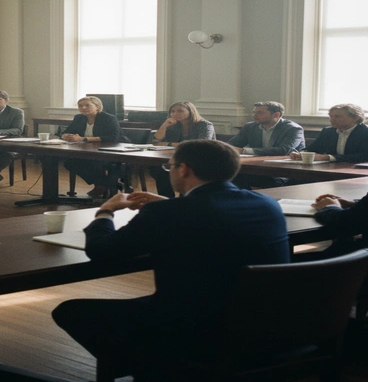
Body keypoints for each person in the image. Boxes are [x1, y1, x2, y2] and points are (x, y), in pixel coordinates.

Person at [52, 140, 289, 380]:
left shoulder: (168, 214)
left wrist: (105, 211)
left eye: (169, 166)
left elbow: (103, 251)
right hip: (266, 321)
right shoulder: (266, 203)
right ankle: (155, 365)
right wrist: (172, 204)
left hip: (195, 326)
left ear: (184, 169)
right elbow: (211, 217)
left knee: (71, 312)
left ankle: (160, 367)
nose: (170, 171)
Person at [228, 101, 305, 189]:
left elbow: (284, 150)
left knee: (269, 181)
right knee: (234, 176)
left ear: (276, 115)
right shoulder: (250, 127)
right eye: (254, 112)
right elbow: (233, 144)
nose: (254, 115)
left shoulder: (293, 129)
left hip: (284, 170)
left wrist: (244, 150)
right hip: (258, 167)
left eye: (260, 113)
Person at [148, 101, 215, 197]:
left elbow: (201, 143)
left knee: (186, 171)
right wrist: (164, 125)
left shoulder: (205, 125)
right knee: (159, 169)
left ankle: (184, 199)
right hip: (177, 158)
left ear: (191, 112)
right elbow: (155, 141)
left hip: (200, 159)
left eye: (180, 111)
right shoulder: (174, 126)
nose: (175, 114)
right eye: (173, 111)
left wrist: (170, 143)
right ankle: (166, 199)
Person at [61, 96, 123, 199]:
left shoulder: (109, 118)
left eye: (87, 105)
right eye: (80, 106)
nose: (83, 108)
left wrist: (84, 139)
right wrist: (65, 136)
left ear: (97, 107)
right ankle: (103, 184)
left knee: (93, 162)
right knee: (70, 162)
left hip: (111, 151)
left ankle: (101, 185)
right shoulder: (79, 118)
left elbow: (112, 137)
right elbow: (66, 132)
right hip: (88, 150)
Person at [290, 103, 368, 163]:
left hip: (355, 171)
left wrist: (328, 157)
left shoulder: (365, 132)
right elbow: (313, 149)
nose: (332, 120)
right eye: (331, 116)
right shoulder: (328, 131)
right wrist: (301, 154)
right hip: (330, 169)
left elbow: (364, 156)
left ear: (355, 118)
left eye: (337, 116)